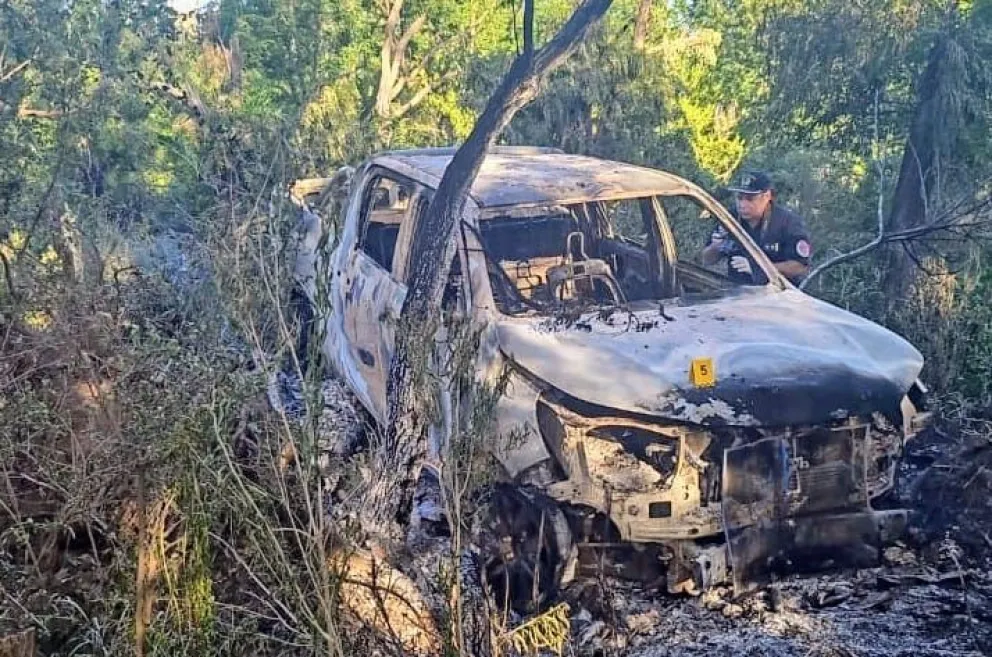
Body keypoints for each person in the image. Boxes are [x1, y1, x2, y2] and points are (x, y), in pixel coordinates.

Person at [700, 170, 812, 286]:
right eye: (739, 198)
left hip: (779, 295)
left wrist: (760, 268)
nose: (742, 204)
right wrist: (716, 246)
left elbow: (800, 267)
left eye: (750, 199)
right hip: (738, 294)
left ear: (767, 196)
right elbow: (707, 260)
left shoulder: (787, 222)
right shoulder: (730, 218)